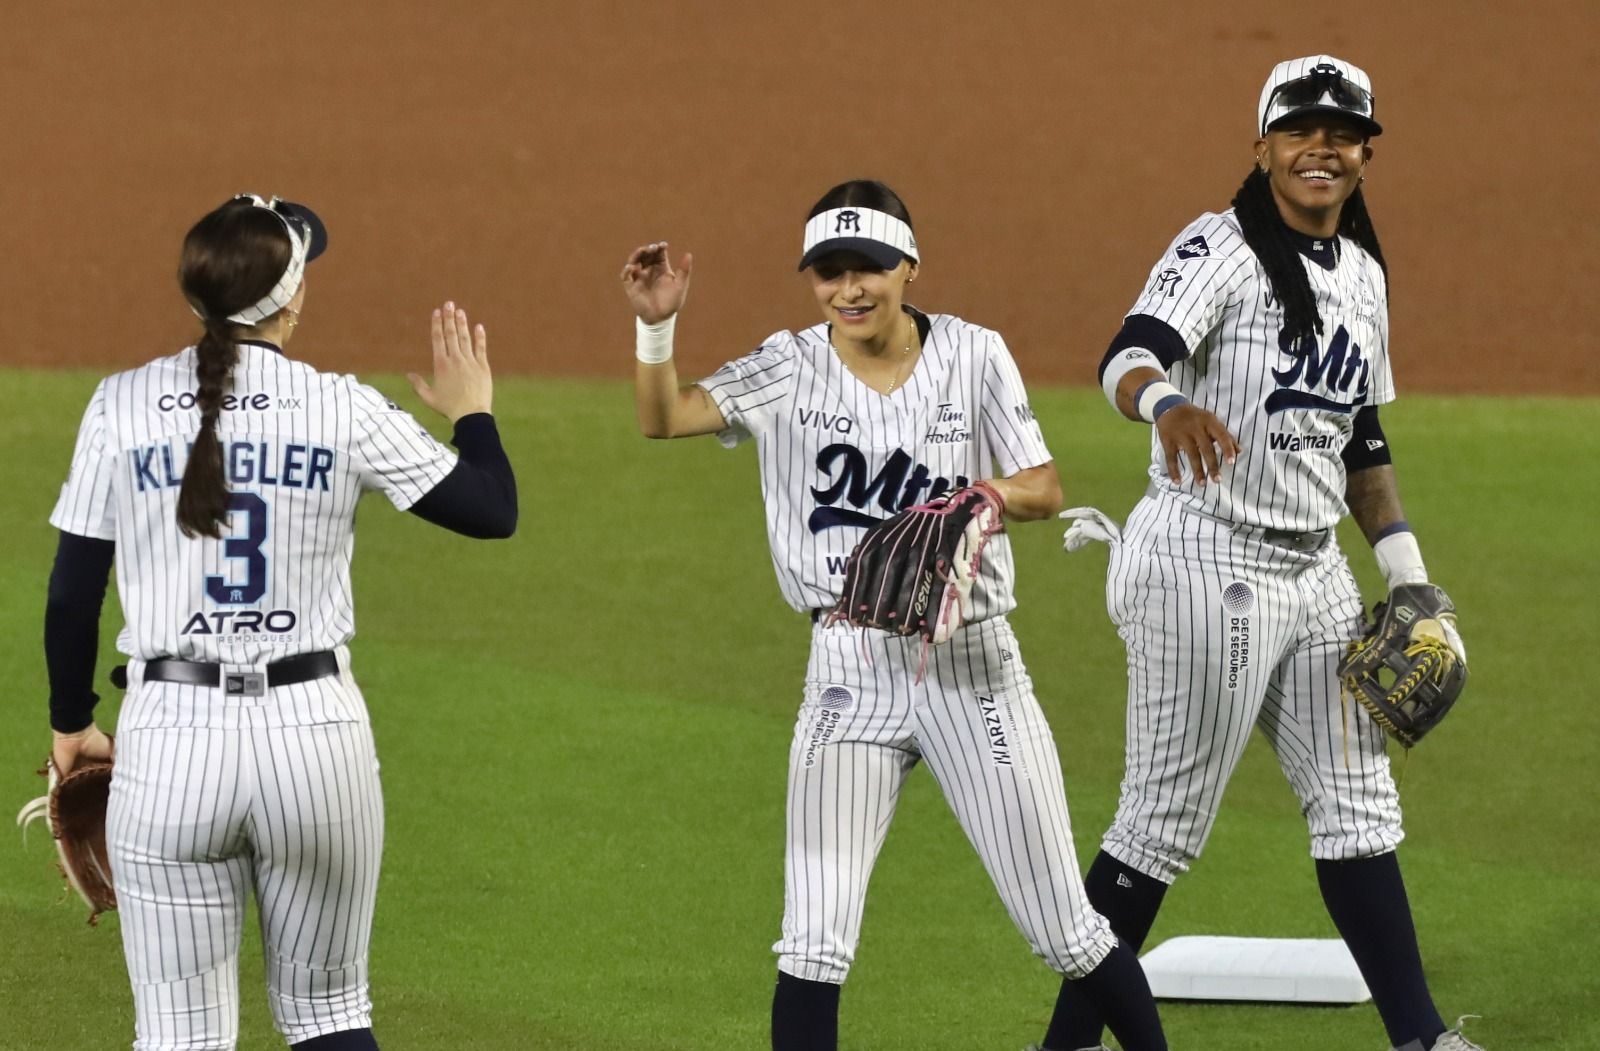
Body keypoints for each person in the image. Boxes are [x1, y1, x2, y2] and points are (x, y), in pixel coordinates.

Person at [620, 180, 1168, 1051]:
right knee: (813, 938)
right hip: (846, 671)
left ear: (909, 265)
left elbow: (1045, 485)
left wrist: (983, 494)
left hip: (970, 666)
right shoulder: (787, 364)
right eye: (829, 272)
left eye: (867, 268)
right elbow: (665, 416)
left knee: (1066, 927)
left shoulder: (974, 354)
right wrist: (657, 325)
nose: (848, 289)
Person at [1047, 56, 1483, 1051]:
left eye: (1340, 130)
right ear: (1263, 147)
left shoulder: (1363, 277)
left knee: (1359, 807)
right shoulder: (1222, 246)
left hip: (1315, 568)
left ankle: (1419, 1038)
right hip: (1204, 557)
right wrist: (1167, 401)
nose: (1319, 145)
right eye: (1299, 129)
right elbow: (1129, 349)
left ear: (1365, 152)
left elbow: (1358, 440)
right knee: (1157, 828)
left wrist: (1406, 573)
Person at [43, 194, 517, 1050]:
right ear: (292, 297)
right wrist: (472, 408)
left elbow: (73, 593)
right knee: (330, 1015)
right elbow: (491, 510)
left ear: (196, 295)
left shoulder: (118, 406)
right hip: (315, 741)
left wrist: (72, 721)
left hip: (171, 744)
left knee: (180, 1033)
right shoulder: (343, 407)